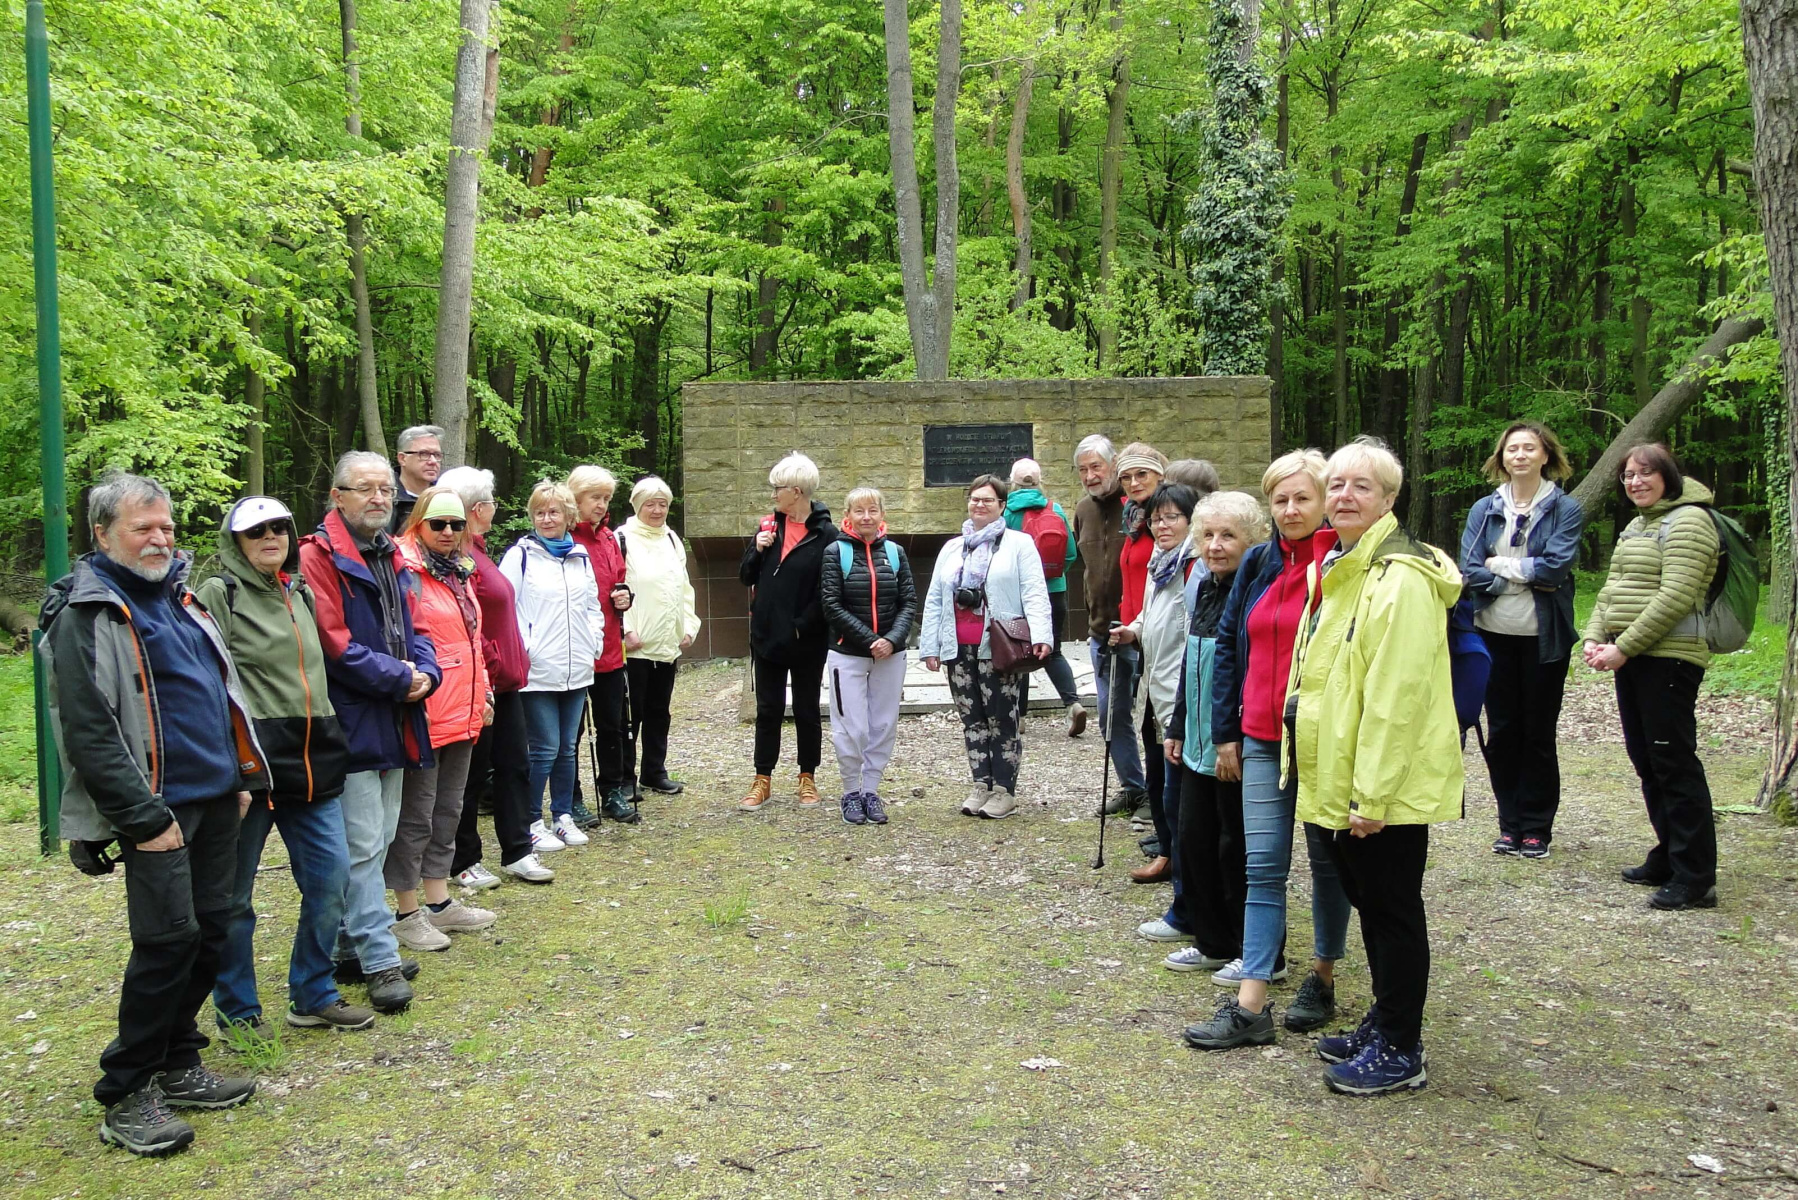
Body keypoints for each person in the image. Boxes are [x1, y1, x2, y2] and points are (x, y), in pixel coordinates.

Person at [41, 472, 265, 1155]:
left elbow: (219, 692)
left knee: (213, 932)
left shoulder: (179, 598)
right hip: (157, 810)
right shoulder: (88, 613)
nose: (159, 539)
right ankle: (126, 1089)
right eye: (142, 528)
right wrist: (141, 817)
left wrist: (240, 773)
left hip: (217, 797)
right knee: (167, 943)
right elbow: (88, 729)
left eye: (165, 526)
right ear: (102, 534)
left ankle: (177, 1060)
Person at [1291, 437, 1462, 1095]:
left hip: (1381, 783)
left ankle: (1400, 1047)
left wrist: (1373, 795)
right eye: (1336, 484)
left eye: (1362, 486)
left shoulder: (1402, 579)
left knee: (1392, 909)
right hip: (1347, 772)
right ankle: (1387, 1020)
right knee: (1369, 900)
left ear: (1389, 499)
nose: (1344, 496)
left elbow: (1395, 698)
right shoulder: (1349, 567)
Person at [1184, 448, 1351, 1048]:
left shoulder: (1343, 564)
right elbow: (1230, 644)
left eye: (1302, 497)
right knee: (1262, 867)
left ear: (1325, 500)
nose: (1290, 509)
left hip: (1322, 738)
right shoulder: (1259, 562)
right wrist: (1226, 731)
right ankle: (1251, 1003)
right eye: (1280, 499)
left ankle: (1322, 976)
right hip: (1259, 734)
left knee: (1327, 863)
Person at [199, 497, 367, 1037]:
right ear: (235, 541)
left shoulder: (300, 591)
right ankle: (237, 1011)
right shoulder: (218, 593)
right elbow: (206, 682)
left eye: (279, 528)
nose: (270, 537)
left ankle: (313, 993)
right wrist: (230, 762)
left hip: (312, 761)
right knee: (234, 897)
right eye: (256, 531)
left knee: (330, 881)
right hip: (251, 766)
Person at [299, 451, 440, 1018]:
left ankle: (348, 946)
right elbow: (333, 642)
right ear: (337, 496)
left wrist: (425, 672)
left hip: (398, 715)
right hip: (351, 718)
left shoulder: (391, 552)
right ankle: (380, 959)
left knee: (379, 837)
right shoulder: (317, 556)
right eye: (365, 488)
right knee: (361, 845)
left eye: (385, 488)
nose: (379, 497)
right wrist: (401, 678)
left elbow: (417, 625)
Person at [1583, 443, 1723, 911]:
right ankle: (1669, 855)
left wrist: (1623, 647)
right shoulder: (1638, 525)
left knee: (1673, 763)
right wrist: (1595, 635)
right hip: (1634, 657)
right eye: (1628, 475)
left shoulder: (1690, 521)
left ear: (1668, 476)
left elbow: (1676, 596)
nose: (1635, 482)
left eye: (1645, 473)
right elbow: (1612, 588)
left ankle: (1695, 876)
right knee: (1648, 761)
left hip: (1671, 658)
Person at [1459, 422, 1584, 858]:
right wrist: (1518, 575)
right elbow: (1469, 569)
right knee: (1502, 732)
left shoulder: (1565, 508)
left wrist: (1499, 565)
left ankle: (1536, 828)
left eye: (1529, 448)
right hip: (1492, 636)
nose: (1520, 455)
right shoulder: (1485, 509)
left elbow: (1555, 568)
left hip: (1544, 638)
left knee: (1538, 733)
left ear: (1545, 455)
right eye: (1512, 449)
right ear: (1502, 457)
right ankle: (1509, 824)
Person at [1161, 492, 1267, 975]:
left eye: (1228, 536)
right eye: (1207, 535)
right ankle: (1213, 942)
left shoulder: (1255, 589)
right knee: (1194, 841)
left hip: (1234, 742)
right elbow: (1193, 660)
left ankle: (1255, 950)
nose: (1215, 546)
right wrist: (1177, 724)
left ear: (1253, 539)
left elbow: (1241, 670)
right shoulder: (1204, 585)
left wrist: (1231, 737)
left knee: (1235, 849)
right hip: (1198, 741)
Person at [387, 489, 495, 950]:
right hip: (426, 711)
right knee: (416, 816)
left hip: (463, 709)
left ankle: (438, 901)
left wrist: (484, 691)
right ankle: (406, 911)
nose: (448, 532)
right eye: (438, 523)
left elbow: (472, 641)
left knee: (448, 810)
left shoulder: (458, 570)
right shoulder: (403, 569)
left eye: (456, 524)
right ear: (418, 523)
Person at [438, 466, 553, 886]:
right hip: (477, 682)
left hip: (504, 683)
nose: (494, 507)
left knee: (515, 765)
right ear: (476, 508)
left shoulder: (480, 552)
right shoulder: (455, 557)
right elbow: (465, 618)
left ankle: (518, 850)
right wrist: (490, 661)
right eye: (490, 501)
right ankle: (463, 859)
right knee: (470, 775)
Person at [919, 475, 1054, 820]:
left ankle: (1004, 790)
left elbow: (1035, 591)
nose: (980, 505)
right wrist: (930, 645)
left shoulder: (1019, 544)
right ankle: (981, 783)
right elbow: (935, 598)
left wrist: (1042, 635)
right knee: (972, 719)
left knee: (1002, 718)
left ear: (1002, 506)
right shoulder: (953, 548)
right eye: (975, 499)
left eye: (988, 500)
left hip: (997, 646)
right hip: (957, 647)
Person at [501, 481, 605, 852]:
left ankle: (562, 815)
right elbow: (505, 608)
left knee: (567, 749)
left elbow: (592, 606)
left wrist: (594, 641)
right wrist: (526, 649)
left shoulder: (580, 556)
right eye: (540, 513)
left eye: (554, 512)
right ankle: (531, 820)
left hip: (577, 668)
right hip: (538, 670)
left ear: (568, 516)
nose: (547, 519)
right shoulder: (520, 555)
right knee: (544, 747)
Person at [1111, 482, 1200, 890]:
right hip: (1152, 687)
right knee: (1158, 779)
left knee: (1176, 783)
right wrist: (1131, 631)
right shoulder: (1159, 563)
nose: (1162, 526)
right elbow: (1151, 617)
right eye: (1156, 519)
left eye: (1172, 518)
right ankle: (1167, 852)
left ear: (1190, 520)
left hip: (1178, 690)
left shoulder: (1193, 567)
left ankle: (1180, 860)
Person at [738, 454, 837, 811]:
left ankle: (807, 777)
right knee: (768, 710)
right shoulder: (769, 528)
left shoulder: (827, 535)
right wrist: (757, 550)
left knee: (807, 710)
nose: (773, 495)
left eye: (777, 488)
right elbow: (746, 576)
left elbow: (828, 591)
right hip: (767, 638)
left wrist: (800, 626)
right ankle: (762, 778)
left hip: (806, 641)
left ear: (796, 491)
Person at [820, 486, 919, 825]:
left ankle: (870, 791)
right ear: (847, 515)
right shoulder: (836, 552)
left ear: (881, 514)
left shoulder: (895, 552)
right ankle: (850, 791)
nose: (866, 517)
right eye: (859, 511)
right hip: (848, 653)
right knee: (852, 727)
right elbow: (831, 604)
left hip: (891, 655)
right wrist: (871, 641)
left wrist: (891, 640)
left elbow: (908, 601)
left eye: (872, 510)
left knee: (883, 724)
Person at [1071, 435, 1147, 817]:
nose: (1090, 476)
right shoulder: (1082, 510)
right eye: (1083, 469)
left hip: (1142, 631)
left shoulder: (1138, 506)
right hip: (1102, 632)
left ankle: (1162, 795)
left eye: (1096, 467)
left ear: (1113, 464)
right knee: (1111, 716)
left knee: (1153, 719)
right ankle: (1135, 789)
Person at [618, 475, 702, 798]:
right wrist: (627, 630)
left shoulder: (672, 539)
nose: (657, 510)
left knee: (659, 712)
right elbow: (616, 587)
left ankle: (654, 771)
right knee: (630, 716)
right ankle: (623, 778)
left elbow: (684, 588)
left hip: (667, 644)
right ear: (637, 506)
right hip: (635, 647)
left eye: (662, 504)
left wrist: (688, 626)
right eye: (650, 504)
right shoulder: (622, 539)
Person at [569, 464, 639, 825]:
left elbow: (619, 581)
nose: (601, 505)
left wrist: (625, 596)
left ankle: (612, 790)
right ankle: (571, 798)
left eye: (607, 498)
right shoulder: (564, 538)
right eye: (594, 497)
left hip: (610, 646)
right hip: (573, 650)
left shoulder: (610, 538)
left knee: (612, 724)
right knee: (572, 732)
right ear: (576, 498)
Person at [1005, 458, 1085, 736]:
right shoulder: (1056, 509)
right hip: (1055, 591)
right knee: (1054, 649)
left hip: (1020, 595)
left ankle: (1019, 716)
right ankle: (1072, 704)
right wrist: (1052, 576)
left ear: (1012, 482)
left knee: (1021, 653)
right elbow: (1071, 554)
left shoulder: (1006, 514)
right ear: (1040, 482)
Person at [1114, 443, 1170, 841]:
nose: (1134, 483)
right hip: (1137, 635)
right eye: (1126, 477)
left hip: (1160, 638)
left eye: (1142, 475)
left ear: (1160, 476)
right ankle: (1159, 813)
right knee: (1145, 725)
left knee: (1162, 728)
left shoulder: (1163, 522)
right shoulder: (1133, 522)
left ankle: (1163, 815)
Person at [390, 425, 444, 531]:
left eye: (437, 455)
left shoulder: (446, 497)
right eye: (424, 454)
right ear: (402, 459)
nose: (433, 461)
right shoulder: (386, 498)